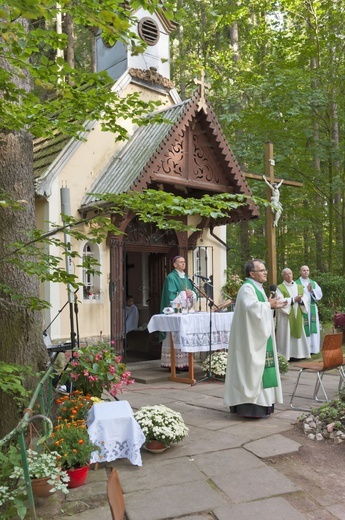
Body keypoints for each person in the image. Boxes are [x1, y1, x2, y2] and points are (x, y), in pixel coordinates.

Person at [223, 259, 287, 418]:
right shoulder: (247, 288)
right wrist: (268, 306)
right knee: (252, 371)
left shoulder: (257, 288)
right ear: (252, 273)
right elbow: (251, 309)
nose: (266, 272)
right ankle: (251, 408)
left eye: (265, 270)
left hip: (259, 339)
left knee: (262, 370)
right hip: (250, 341)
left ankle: (263, 405)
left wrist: (272, 305)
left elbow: (259, 308)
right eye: (262, 270)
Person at [160, 256, 198, 370]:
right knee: (173, 337)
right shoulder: (170, 277)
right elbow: (170, 295)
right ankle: (173, 364)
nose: (183, 264)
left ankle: (184, 363)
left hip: (185, 313)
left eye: (184, 262)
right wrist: (184, 294)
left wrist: (192, 294)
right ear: (174, 265)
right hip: (175, 313)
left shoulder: (187, 278)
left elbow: (194, 292)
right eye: (180, 262)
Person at [275, 268, 311, 361]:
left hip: (297, 313)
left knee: (298, 333)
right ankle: (286, 355)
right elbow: (279, 301)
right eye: (286, 274)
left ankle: (299, 354)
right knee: (286, 334)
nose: (289, 275)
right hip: (285, 317)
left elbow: (306, 299)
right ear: (283, 276)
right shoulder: (279, 288)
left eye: (290, 273)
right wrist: (293, 300)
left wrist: (301, 300)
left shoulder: (299, 287)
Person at [296, 265, 323, 354]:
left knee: (313, 328)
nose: (306, 272)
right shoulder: (296, 283)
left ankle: (314, 349)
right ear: (300, 272)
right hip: (302, 308)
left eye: (307, 270)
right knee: (304, 328)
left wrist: (311, 291)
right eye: (304, 270)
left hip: (312, 308)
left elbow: (319, 295)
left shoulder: (313, 283)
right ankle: (305, 350)